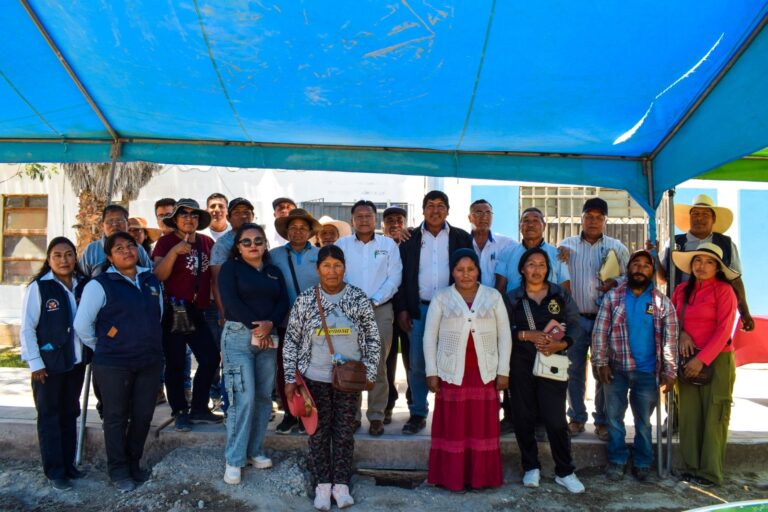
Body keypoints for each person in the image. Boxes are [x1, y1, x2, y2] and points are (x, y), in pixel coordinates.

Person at [283, 245, 380, 511]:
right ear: (318, 269)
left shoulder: (358, 298)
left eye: (337, 265)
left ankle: (342, 485)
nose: (332, 271)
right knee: (318, 432)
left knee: (344, 432)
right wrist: (290, 378)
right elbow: (291, 341)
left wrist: (370, 372)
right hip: (314, 378)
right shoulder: (305, 300)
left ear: (344, 268)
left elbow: (372, 338)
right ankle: (323, 485)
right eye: (326, 266)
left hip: (349, 379)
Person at [73, 232, 164, 492]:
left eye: (130, 246)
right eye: (119, 248)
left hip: (149, 361)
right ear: (110, 257)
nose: (126, 251)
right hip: (113, 363)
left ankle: (134, 464)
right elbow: (82, 325)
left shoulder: (150, 279)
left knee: (143, 416)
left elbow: (158, 315)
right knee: (115, 417)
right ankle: (118, 470)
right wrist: (105, 345)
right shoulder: (99, 285)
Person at [423, 248, 511, 491]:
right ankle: (452, 478)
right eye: (460, 270)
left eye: (471, 269)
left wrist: (503, 370)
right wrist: (431, 372)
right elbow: (429, 336)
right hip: (452, 373)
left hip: (484, 373)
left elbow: (505, 335)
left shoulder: (493, 296)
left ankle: (481, 478)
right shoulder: (442, 297)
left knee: (481, 427)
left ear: (478, 271)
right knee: (454, 427)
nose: (466, 274)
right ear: (452, 272)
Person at [592, 250, 678, 482]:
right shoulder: (613, 297)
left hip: (647, 372)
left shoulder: (662, 302)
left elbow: (670, 340)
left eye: (646, 265)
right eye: (636, 264)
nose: (640, 269)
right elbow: (600, 333)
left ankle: (642, 462)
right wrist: (601, 363)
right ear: (628, 269)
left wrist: (670, 371)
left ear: (652, 271)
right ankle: (617, 460)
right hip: (616, 369)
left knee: (643, 423)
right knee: (614, 420)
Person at [505, 248, 585, 494]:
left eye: (542, 264)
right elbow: (501, 330)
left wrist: (562, 344)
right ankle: (531, 467)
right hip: (520, 363)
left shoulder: (559, 294)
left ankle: (565, 471)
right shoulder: (512, 298)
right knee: (523, 416)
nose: (536, 269)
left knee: (556, 419)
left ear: (548, 269)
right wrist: (525, 335)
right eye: (531, 264)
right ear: (522, 269)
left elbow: (575, 324)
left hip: (552, 363)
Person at [395, 190, 472, 435]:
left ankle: (449, 413)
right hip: (420, 309)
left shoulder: (461, 237)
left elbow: (471, 272)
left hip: (453, 310)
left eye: (440, 205)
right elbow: (401, 276)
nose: (435, 210)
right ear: (423, 210)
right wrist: (403, 309)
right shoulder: (410, 238)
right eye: (430, 205)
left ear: (448, 210)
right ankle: (418, 413)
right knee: (418, 364)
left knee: (452, 362)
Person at [218, 223, 289, 485]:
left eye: (258, 241)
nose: (253, 245)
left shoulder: (273, 271)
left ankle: (254, 450)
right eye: (246, 242)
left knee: (262, 397)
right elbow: (231, 301)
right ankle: (234, 459)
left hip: (268, 338)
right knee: (242, 398)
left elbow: (283, 301)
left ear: (265, 244)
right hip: (238, 337)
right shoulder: (230, 268)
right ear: (238, 247)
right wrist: (257, 327)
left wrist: (270, 324)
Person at [20, 237, 88, 491]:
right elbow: (27, 328)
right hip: (47, 366)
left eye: (68, 254)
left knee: (70, 413)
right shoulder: (39, 288)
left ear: (75, 257)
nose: (63, 260)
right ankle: (55, 471)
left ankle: (69, 466)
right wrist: (35, 363)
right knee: (50, 416)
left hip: (76, 362)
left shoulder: (83, 285)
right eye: (57, 255)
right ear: (48, 260)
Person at [558, 197, 629, 440]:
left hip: (605, 320)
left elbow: (631, 277)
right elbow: (556, 274)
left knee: (603, 371)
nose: (593, 221)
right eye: (589, 216)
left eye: (599, 217)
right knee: (573, 370)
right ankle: (577, 418)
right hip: (575, 318)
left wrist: (615, 282)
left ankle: (602, 421)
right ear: (582, 218)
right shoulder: (566, 246)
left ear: (605, 221)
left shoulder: (617, 247)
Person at [495, 207, 571, 433]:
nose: (530, 224)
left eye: (535, 220)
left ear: (544, 226)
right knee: (515, 370)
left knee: (545, 372)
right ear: (520, 225)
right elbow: (500, 288)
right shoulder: (508, 252)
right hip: (517, 320)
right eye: (525, 220)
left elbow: (565, 291)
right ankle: (511, 416)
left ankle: (542, 421)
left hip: (548, 323)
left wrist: (562, 327)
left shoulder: (557, 254)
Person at [671, 243, 739, 487]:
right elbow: (671, 319)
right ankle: (692, 468)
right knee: (689, 415)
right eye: (698, 261)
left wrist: (702, 359)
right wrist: (681, 334)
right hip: (686, 358)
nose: (702, 266)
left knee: (715, 414)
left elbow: (725, 329)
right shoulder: (681, 290)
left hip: (717, 360)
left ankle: (710, 473)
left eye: (709, 262)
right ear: (691, 265)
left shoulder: (724, 291)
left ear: (718, 268)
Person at [152, 198, 222, 431]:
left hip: (197, 310)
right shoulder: (165, 242)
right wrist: (174, 252)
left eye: (194, 215)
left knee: (211, 358)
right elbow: (158, 275)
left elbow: (214, 279)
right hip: (173, 309)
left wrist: (222, 310)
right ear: (175, 219)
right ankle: (180, 411)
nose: (189, 219)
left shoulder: (206, 242)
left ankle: (199, 407)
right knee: (176, 363)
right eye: (184, 214)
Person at [336, 200, 402, 436]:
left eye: (368, 216)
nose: (364, 220)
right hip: (348, 311)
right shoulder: (342, 245)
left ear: (375, 219)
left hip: (380, 309)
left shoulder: (388, 245)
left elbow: (394, 277)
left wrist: (374, 300)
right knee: (350, 363)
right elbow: (336, 274)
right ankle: (352, 416)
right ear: (352, 219)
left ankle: (376, 415)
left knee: (378, 364)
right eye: (359, 216)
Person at [657, 194, 752, 332]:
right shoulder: (674, 242)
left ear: (714, 219)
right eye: (695, 213)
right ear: (689, 218)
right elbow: (661, 279)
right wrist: (653, 256)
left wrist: (744, 312)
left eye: (705, 214)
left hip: (714, 311)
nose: (699, 218)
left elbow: (735, 280)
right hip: (680, 311)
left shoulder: (726, 244)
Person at [270, 208, 322, 434]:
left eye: (303, 228)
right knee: (285, 370)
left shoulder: (321, 254)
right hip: (285, 322)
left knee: (312, 370)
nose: (298, 232)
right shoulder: (274, 255)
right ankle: (290, 414)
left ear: (310, 231)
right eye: (293, 228)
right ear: (286, 231)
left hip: (314, 324)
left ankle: (308, 414)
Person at [209, 197, 257, 411]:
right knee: (232, 364)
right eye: (237, 212)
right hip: (233, 314)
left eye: (247, 212)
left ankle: (252, 407)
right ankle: (231, 408)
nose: (243, 216)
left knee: (254, 362)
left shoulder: (259, 239)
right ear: (229, 218)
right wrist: (223, 313)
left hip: (256, 313)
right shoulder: (223, 245)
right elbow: (216, 282)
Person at [381, 206, 411, 423]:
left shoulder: (413, 243)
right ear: (383, 225)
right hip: (385, 310)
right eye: (390, 220)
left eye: (399, 219)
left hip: (409, 311)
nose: (394, 224)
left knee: (412, 361)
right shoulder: (379, 246)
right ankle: (387, 403)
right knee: (386, 361)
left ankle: (414, 405)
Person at [79, 205, 153, 278]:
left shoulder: (138, 248)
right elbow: (81, 278)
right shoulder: (92, 250)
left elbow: (149, 275)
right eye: (110, 221)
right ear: (102, 225)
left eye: (119, 220)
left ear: (128, 224)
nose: (115, 225)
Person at [468, 199, 515, 288]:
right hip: (467, 296)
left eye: (488, 213)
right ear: (469, 217)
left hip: (497, 295)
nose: (484, 217)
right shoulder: (462, 242)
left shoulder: (506, 244)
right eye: (478, 212)